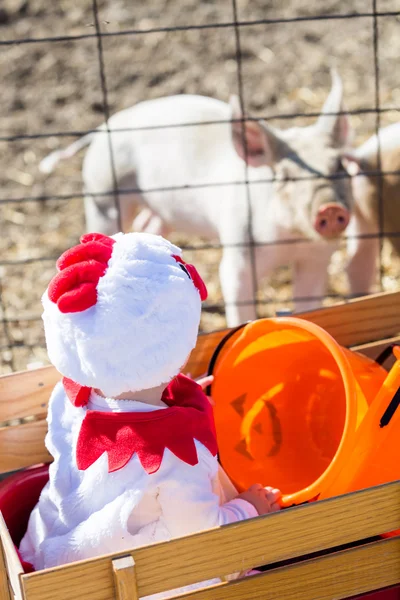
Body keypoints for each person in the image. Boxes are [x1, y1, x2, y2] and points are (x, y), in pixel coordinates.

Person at [19, 232, 281, 596]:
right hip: (127, 584)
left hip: (46, 554)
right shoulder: (171, 459)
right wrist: (248, 509)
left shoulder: (70, 396)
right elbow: (205, 535)